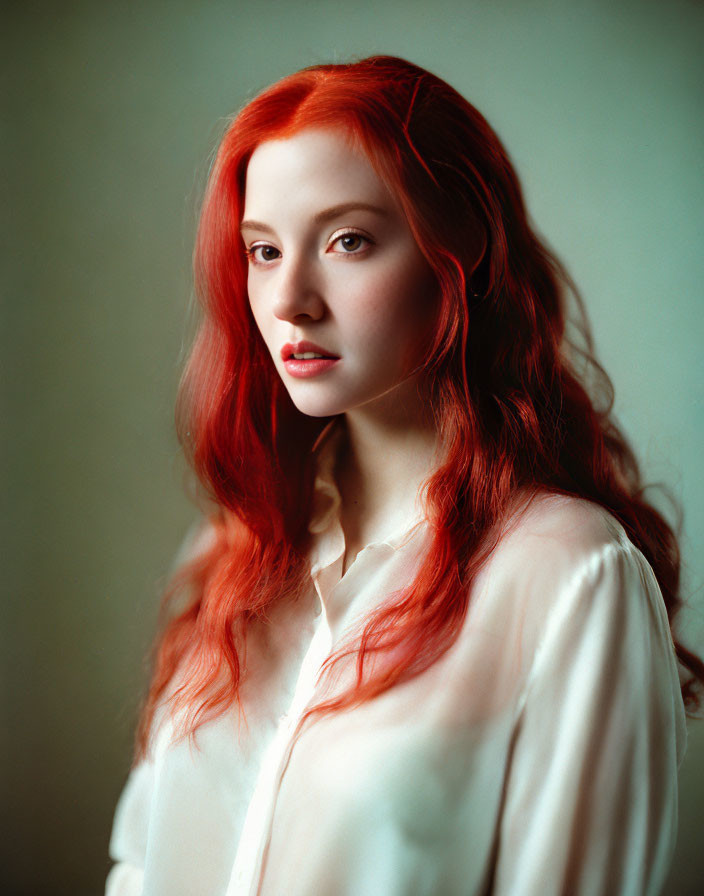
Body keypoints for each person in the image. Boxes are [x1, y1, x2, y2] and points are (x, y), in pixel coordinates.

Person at [105, 55, 703, 895]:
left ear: (458, 255)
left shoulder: (572, 574)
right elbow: (137, 864)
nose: (290, 300)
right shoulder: (234, 545)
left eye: (348, 240)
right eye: (264, 251)